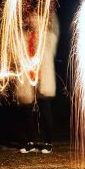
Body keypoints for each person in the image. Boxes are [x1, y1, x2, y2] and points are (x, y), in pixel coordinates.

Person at [18, 9, 59, 154]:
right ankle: (30, 142)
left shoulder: (48, 37)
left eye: (37, 18)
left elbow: (55, 30)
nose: (34, 20)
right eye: (32, 18)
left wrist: (51, 12)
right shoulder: (23, 36)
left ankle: (48, 143)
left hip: (43, 78)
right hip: (27, 79)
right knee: (26, 111)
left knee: (45, 109)